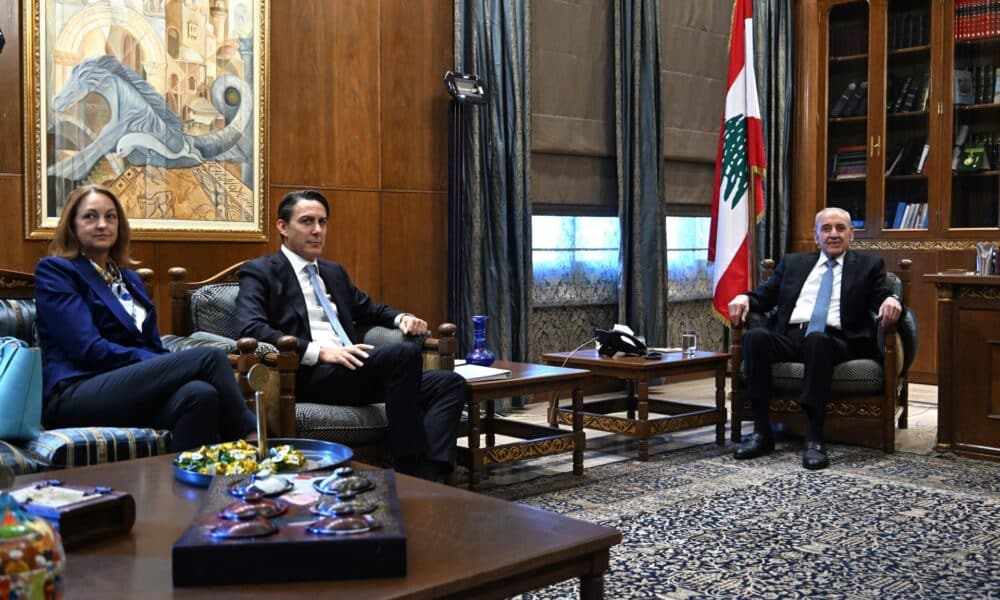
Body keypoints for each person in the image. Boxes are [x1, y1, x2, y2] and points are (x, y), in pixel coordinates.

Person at [236, 189, 466, 482]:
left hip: (354, 370)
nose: (317, 230)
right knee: (403, 354)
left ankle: (429, 475)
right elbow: (250, 327)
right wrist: (319, 351)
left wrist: (402, 318)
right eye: (307, 221)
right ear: (282, 227)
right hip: (309, 373)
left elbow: (369, 309)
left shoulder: (333, 272)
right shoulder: (259, 272)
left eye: (323, 222)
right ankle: (408, 466)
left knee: (450, 383)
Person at [35, 184, 257, 452]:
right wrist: (161, 363)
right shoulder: (57, 272)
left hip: (128, 390)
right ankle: (252, 436)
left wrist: (161, 365)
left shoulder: (129, 279)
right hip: (76, 391)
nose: (102, 224)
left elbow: (151, 344)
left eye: (110, 217)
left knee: (200, 395)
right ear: (72, 225)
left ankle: (189, 485)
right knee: (209, 357)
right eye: (90, 217)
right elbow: (88, 349)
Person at [727, 207, 903, 470]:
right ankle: (762, 433)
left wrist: (893, 299)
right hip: (791, 336)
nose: (833, 234)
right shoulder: (793, 263)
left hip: (837, 340)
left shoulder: (869, 266)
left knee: (817, 340)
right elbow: (764, 296)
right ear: (816, 235)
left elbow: (883, 296)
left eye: (840, 228)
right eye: (826, 228)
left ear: (851, 235)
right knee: (756, 338)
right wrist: (745, 297)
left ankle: (814, 437)